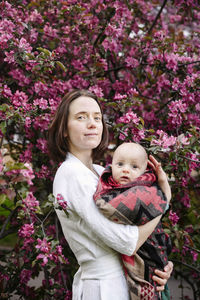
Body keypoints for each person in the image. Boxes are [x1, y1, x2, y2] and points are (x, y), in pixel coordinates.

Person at [48, 89, 173, 300]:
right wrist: (164, 200)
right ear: (64, 129)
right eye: (81, 117)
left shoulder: (101, 172)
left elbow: (139, 226)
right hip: (104, 287)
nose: (92, 123)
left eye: (97, 117)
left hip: (127, 279)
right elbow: (128, 242)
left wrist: (159, 264)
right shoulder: (72, 173)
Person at [93, 142, 172, 299]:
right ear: (112, 164)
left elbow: (161, 203)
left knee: (156, 285)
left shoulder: (146, 190)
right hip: (118, 268)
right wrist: (166, 200)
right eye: (120, 164)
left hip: (151, 251)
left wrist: (163, 186)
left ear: (144, 172)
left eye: (134, 167)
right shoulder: (106, 185)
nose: (125, 169)